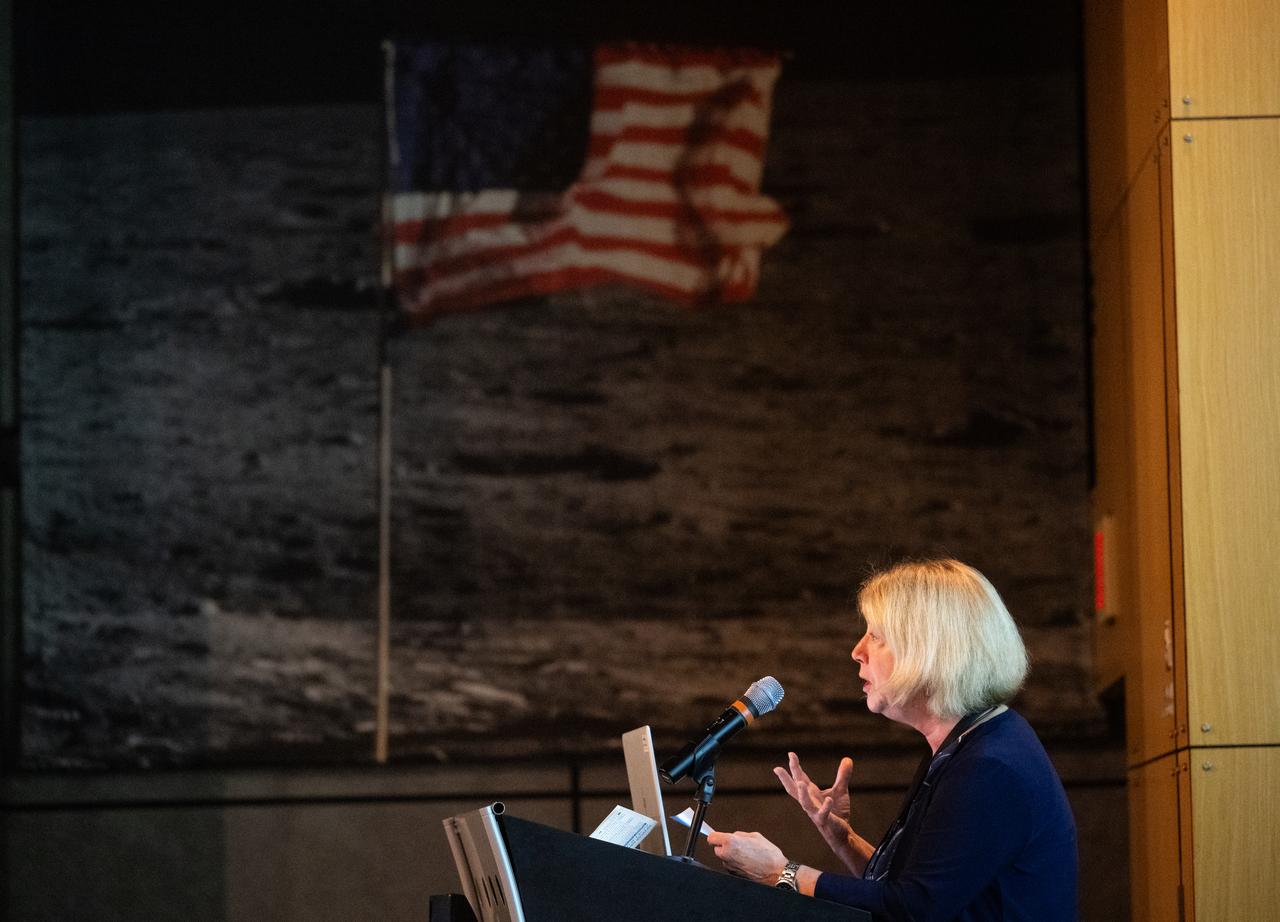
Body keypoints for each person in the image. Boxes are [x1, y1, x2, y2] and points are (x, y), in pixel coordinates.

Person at [707, 559, 1078, 921]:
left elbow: (913, 908)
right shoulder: (968, 742)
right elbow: (917, 890)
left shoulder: (989, 766)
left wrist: (781, 873)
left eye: (876, 636)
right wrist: (843, 838)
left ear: (929, 650)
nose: (857, 651)